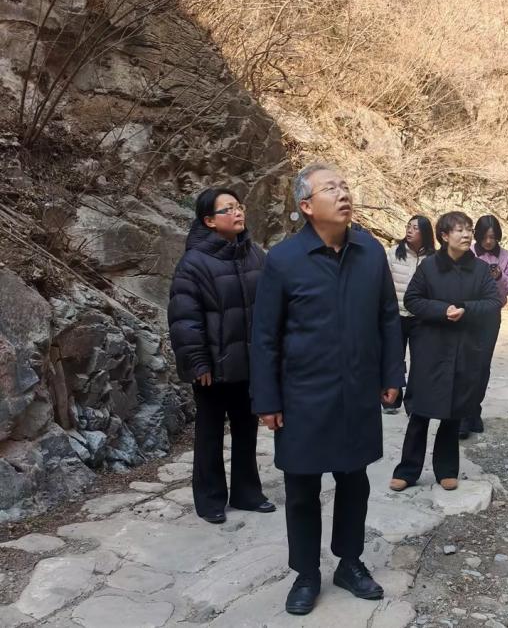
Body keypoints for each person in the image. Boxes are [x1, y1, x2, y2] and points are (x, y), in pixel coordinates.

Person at [249, 163, 404, 615]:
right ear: (306, 206)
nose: (343, 193)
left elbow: (388, 317)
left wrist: (392, 374)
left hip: (356, 390)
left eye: (345, 186)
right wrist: (267, 399)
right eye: (330, 188)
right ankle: (306, 573)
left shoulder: (370, 251)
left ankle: (349, 563)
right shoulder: (284, 259)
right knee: (301, 487)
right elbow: (265, 336)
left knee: (354, 481)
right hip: (302, 394)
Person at [168, 187, 274, 525]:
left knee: (246, 429)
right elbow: (185, 318)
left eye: (239, 206)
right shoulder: (193, 263)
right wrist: (198, 362)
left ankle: (247, 493)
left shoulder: (254, 255)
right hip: (212, 367)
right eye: (228, 209)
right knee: (210, 433)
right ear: (209, 221)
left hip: (248, 363)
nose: (238, 212)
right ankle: (210, 498)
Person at [390, 211, 501, 492]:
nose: (466, 235)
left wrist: (465, 309)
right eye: (459, 230)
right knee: (421, 412)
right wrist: (442, 310)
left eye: (468, 230)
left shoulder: (479, 269)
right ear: (444, 236)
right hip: (431, 346)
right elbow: (412, 299)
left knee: (453, 412)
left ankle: (447, 470)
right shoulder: (429, 267)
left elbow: (493, 302)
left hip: (464, 348)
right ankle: (408, 470)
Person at [462, 214, 508, 438]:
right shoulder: (467, 253)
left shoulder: (506, 257)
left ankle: (474, 410)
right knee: (465, 363)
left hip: (491, 315)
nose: (488, 242)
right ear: (477, 235)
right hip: (467, 313)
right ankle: (462, 414)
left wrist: (500, 276)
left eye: (493, 237)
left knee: (482, 365)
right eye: (485, 237)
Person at [386, 215, 436, 415]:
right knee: (394, 357)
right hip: (396, 314)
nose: (410, 230)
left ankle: (414, 402)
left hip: (420, 317)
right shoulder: (393, 253)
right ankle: (392, 399)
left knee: (420, 360)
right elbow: (383, 283)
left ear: (425, 233)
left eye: (415, 228)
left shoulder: (433, 259)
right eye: (408, 226)